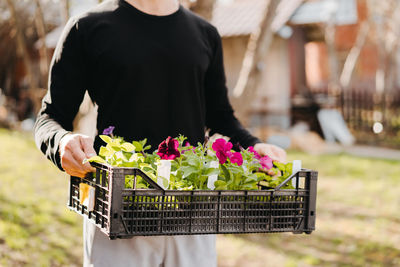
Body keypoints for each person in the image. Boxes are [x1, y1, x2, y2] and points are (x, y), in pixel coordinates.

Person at [34, 0, 287, 266]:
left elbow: (221, 117)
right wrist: (61, 142)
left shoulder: (205, 33)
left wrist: (253, 145)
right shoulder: (86, 27)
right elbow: (50, 118)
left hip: (192, 214)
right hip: (118, 212)